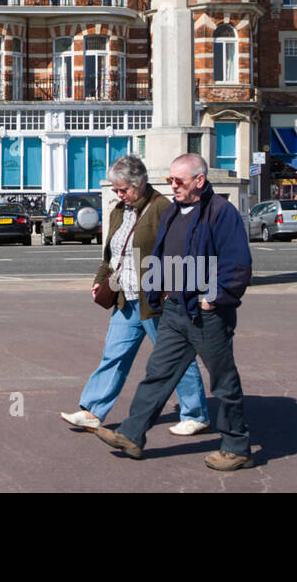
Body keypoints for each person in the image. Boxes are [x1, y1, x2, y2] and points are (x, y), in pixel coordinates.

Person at [94, 153, 255, 471]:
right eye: (169, 180)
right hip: (174, 310)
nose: (172, 185)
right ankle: (132, 435)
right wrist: (157, 291)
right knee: (158, 375)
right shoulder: (173, 212)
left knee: (223, 382)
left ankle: (237, 447)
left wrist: (216, 297)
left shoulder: (221, 212)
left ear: (199, 180)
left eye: (178, 180)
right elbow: (160, 254)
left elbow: (238, 263)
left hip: (207, 314)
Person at [59, 155, 209, 436]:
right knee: (113, 356)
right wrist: (100, 280)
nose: (119, 195)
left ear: (140, 184)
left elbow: (179, 251)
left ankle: (195, 413)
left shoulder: (164, 208)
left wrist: (171, 286)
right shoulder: (119, 210)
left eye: (123, 189)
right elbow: (112, 254)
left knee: (174, 358)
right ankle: (92, 411)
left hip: (155, 301)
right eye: (116, 189)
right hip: (124, 298)